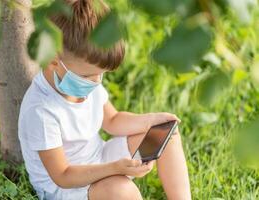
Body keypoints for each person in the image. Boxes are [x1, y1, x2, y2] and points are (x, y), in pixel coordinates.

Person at [18, 0, 191, 199]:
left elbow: (113, 120)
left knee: (165, 133)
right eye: (87, 77)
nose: (96, 82)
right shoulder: (41, 110)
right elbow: (62, 175)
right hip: (67, 187)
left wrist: (151, 120)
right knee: (122, 191)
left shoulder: (84, 78)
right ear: (52, 59)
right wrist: (114, 169)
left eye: (100, 75)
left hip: (98, 158)